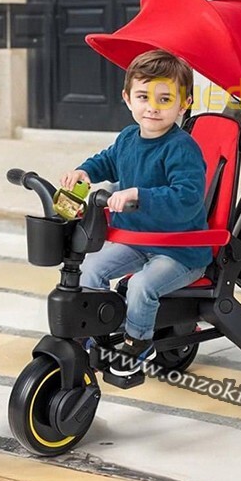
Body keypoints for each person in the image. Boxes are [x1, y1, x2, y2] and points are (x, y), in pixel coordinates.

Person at [61, 50, 210, 376]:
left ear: (184, 104)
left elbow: (187, 198)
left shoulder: (182, 147)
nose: (152, 107)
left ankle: (138, 344)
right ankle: (94, 335)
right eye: (143, 97)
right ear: (127, 98)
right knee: (91, 269)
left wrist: (139, 195)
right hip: (138, 241)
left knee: (142, 286)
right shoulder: (129, 137)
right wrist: (85, 171)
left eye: (164, 99)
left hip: (181, 250)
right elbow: (108, 160)